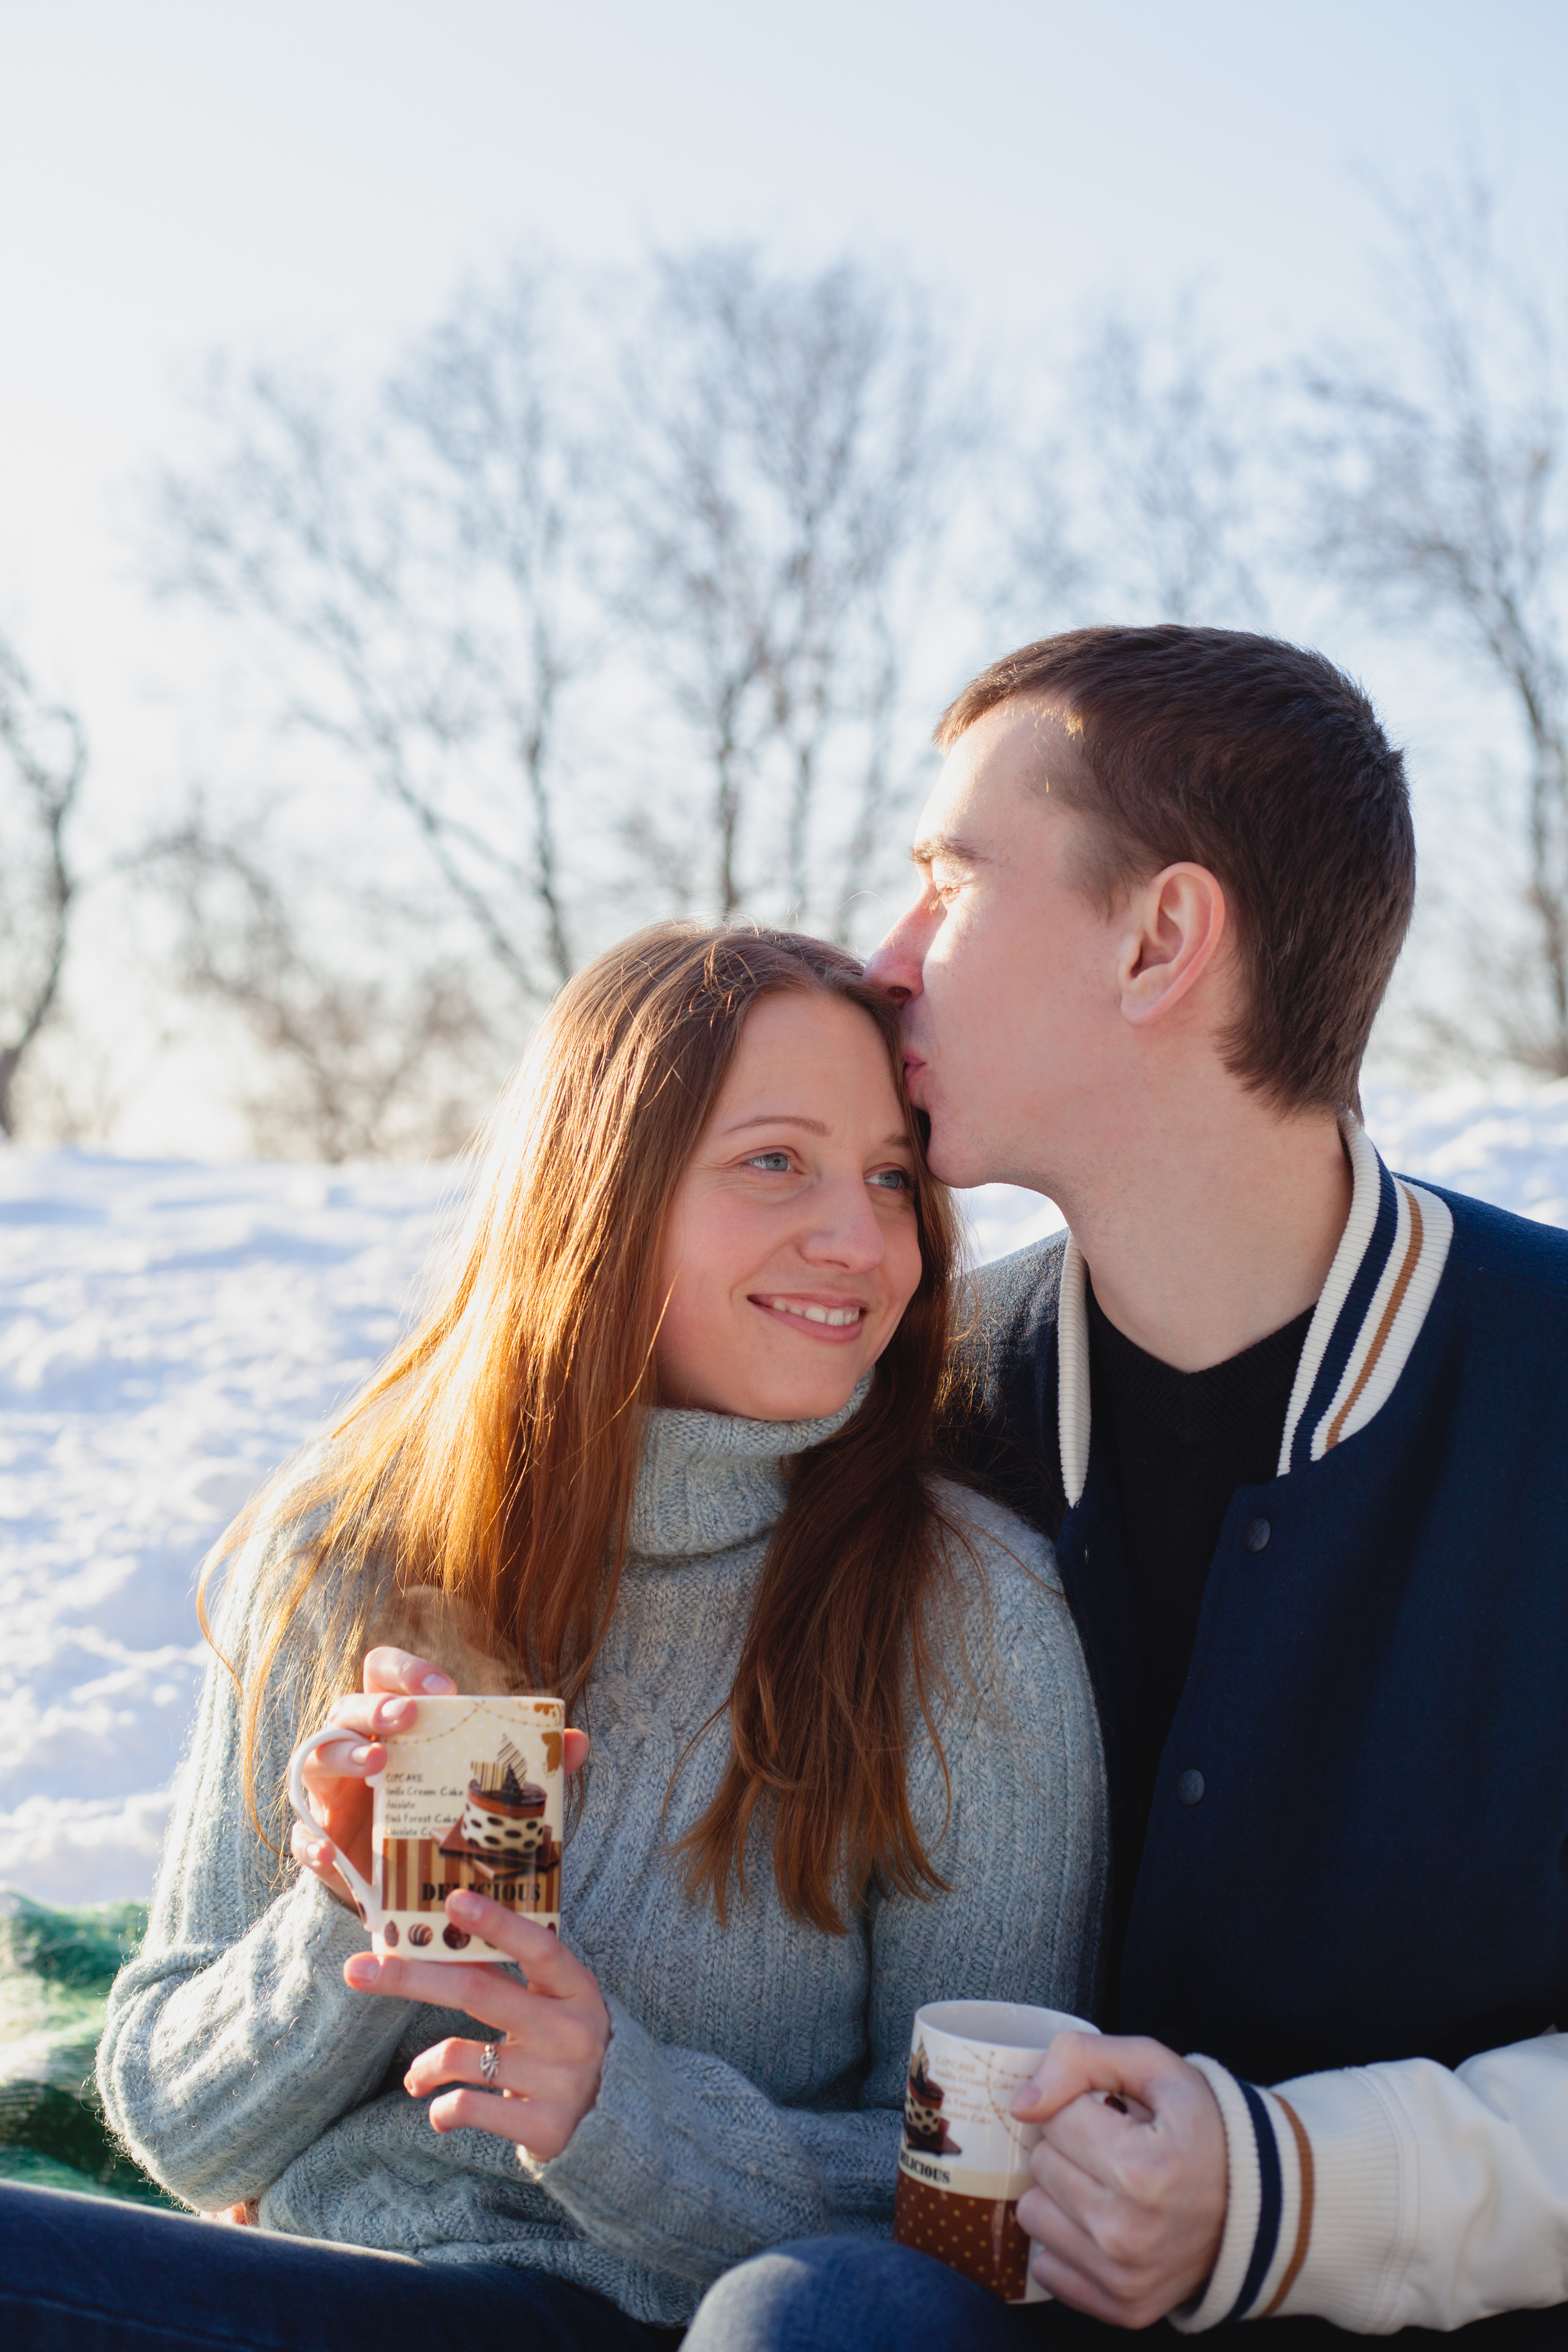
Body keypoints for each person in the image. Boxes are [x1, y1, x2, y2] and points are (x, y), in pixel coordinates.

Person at [0, 921, 1106, 2352]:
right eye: (776, 1160)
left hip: (702, 2319)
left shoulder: (965, 1619)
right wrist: (344, 1909)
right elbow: (185, 2127)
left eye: (891, 1177)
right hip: (366, 2299)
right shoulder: (359, 1554)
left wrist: (620, 2111)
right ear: (601, 1189)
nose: (858, 1237)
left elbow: (986, 2192)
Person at [685, 628, 1568, 2346]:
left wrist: (1285, 2188)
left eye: (952, 881)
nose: (886, 959)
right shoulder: (917, 1402)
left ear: (1161, 941)